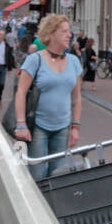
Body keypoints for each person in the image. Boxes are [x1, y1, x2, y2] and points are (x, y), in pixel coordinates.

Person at [14, 14, 82, 180]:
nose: (69, 35)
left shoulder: (73, 61)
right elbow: (21, 92)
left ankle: (51, 206)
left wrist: (75, 127)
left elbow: (77, 97)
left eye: (69, 31)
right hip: (38, 127)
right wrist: (21, 124)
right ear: (51, 34)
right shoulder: (34, 60)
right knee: (37, 176)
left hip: (63, 127)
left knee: (56, 176)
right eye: (64, 31)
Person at [0, 27, 15, 106]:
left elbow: (9, 57)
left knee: (2, 84)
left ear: (4, 36)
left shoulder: (6, 46)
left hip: (2, 67)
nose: (0, 36)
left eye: (2, 35)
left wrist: (9, 68)